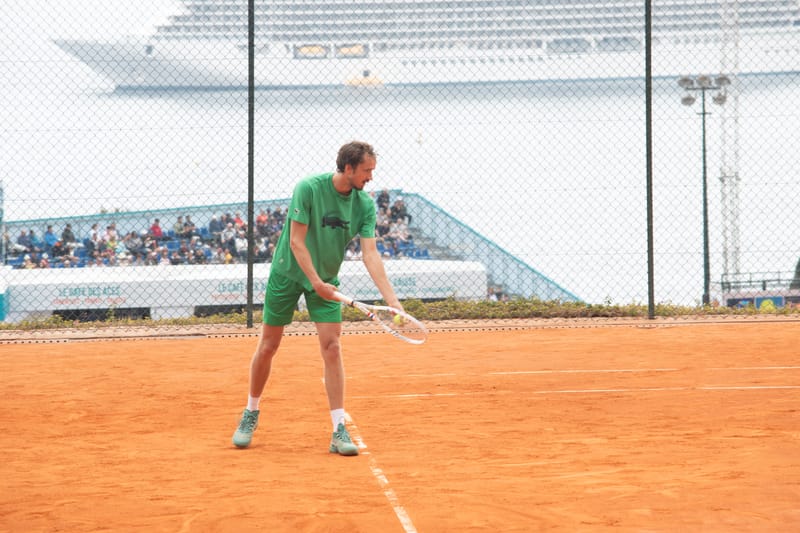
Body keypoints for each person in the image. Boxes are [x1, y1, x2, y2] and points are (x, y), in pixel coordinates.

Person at [231, 141, 405, 455]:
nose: (371, 178)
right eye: (366, 171)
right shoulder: (308, 189)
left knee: (333, 347)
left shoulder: (364, 205)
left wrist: (391, 299)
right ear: (349, 168)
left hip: (326, 281)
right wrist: (315, 282)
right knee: (269, 345)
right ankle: (250, 412)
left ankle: (338, 429)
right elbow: (297, 242)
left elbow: (370, 254)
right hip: (288, 273)